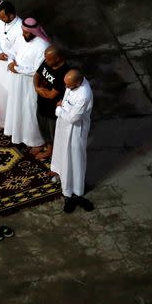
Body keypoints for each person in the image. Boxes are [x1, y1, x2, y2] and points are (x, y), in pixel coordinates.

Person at [50, 69, 94, 213]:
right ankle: (62, 176)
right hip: (64, 126)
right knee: (62, 153)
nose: (67, 88)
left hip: (76, 131)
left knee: (75, 159)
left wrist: (59, 110)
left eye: (69, 86)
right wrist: (63, 108)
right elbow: (66, 101)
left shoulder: (84, 95)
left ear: (78, 83)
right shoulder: (72, 84)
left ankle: (74, 190)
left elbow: (74, 118)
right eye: (66, 85)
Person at [3, 17, 50, 147]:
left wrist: (17, 68)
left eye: (27, 33)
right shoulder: (21, 38)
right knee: (17, 106)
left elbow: (38, 70)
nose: (24, 35)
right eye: (23, 32)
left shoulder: (43, 46)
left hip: (30, 84)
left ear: (34, 32)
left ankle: (35, 141)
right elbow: (11, 51)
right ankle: (19, 134)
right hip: (17, 81)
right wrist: (11, 61)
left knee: (30, 110)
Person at [0, 1, 23, 127]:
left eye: (3, 17)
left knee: (9, 94)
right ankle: (1, 117)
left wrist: (9, 59)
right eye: (0, 17)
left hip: (11, 66)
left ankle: (11, 122)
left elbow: (21, 50)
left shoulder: (20, 28)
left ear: (12, 15)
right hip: (0, 63)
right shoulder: (1, 23)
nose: (0, 19)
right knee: (0, 92)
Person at [32, 46, 70, 160]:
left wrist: (38, 89)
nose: (46, 61)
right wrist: (37, 87)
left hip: (53, 109)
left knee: (54, 133)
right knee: (43, 128)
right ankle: (48, 148)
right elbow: (37, 75)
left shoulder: (64, 73)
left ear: (57, 59)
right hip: (42, 103)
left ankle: (55, 154)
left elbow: (51, 95)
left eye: (48, 59)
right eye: (45, 58)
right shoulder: (47, 61)